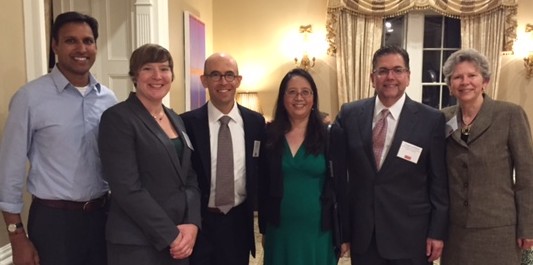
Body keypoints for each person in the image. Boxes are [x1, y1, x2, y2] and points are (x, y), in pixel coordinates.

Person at [0, 11, 117, 265]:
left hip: (102, 217)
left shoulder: (108, 99)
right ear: (54, 45)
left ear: (96, 45)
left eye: (88, 41)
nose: (81, 48)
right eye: (70, 40)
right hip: (54, 222)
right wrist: (17, 237)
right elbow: (10, 170)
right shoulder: (30, 98)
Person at [335, 45, 449, 265]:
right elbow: (341, 176)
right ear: (372, 77)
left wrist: (437, 232)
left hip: (411, 235)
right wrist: (344, 231)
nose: (390, 77)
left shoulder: (431, 120)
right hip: (365, 235)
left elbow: (439, 182)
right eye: (382, 71)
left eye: (398, 70)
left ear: (408, 77)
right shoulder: (350, 114)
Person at [98, 43, 201, 265]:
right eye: (147, 68)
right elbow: (127, 189)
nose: (157, 76)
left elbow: (189, 176)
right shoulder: (118, 118)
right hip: (137, 244)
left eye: (164, 68)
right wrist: (170, 235)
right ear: (134, 75)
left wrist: (192, 224)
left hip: (180, 238)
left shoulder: (176, 118)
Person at [439, 49, 533, 265]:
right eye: (457, 77)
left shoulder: (510, 114)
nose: (465, 82)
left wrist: (527, 227)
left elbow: (527, 176)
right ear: (450, 85)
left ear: (485, 81)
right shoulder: (443, 118)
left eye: (472, 75)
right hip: (455, 231)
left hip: (498, 229)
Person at [180, 53, 265, 265]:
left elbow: (262, 171)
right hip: (200, 222)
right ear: (204, 80)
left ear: (238, 80)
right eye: (215, 75)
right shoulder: (187, 123)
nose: (223, 82)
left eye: (229, 75)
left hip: (238, 222)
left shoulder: (255, 122)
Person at [257, 68, 349, 265]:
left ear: (313, 98)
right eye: (292, 92)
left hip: (319, 231)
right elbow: (264, 185)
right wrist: (264, 228)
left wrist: (344, 234)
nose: (299, 97)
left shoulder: (331, 135)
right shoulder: (269, 136)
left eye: (305, 92)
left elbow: (341, 186)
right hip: (280, 231)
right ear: (283, 98)